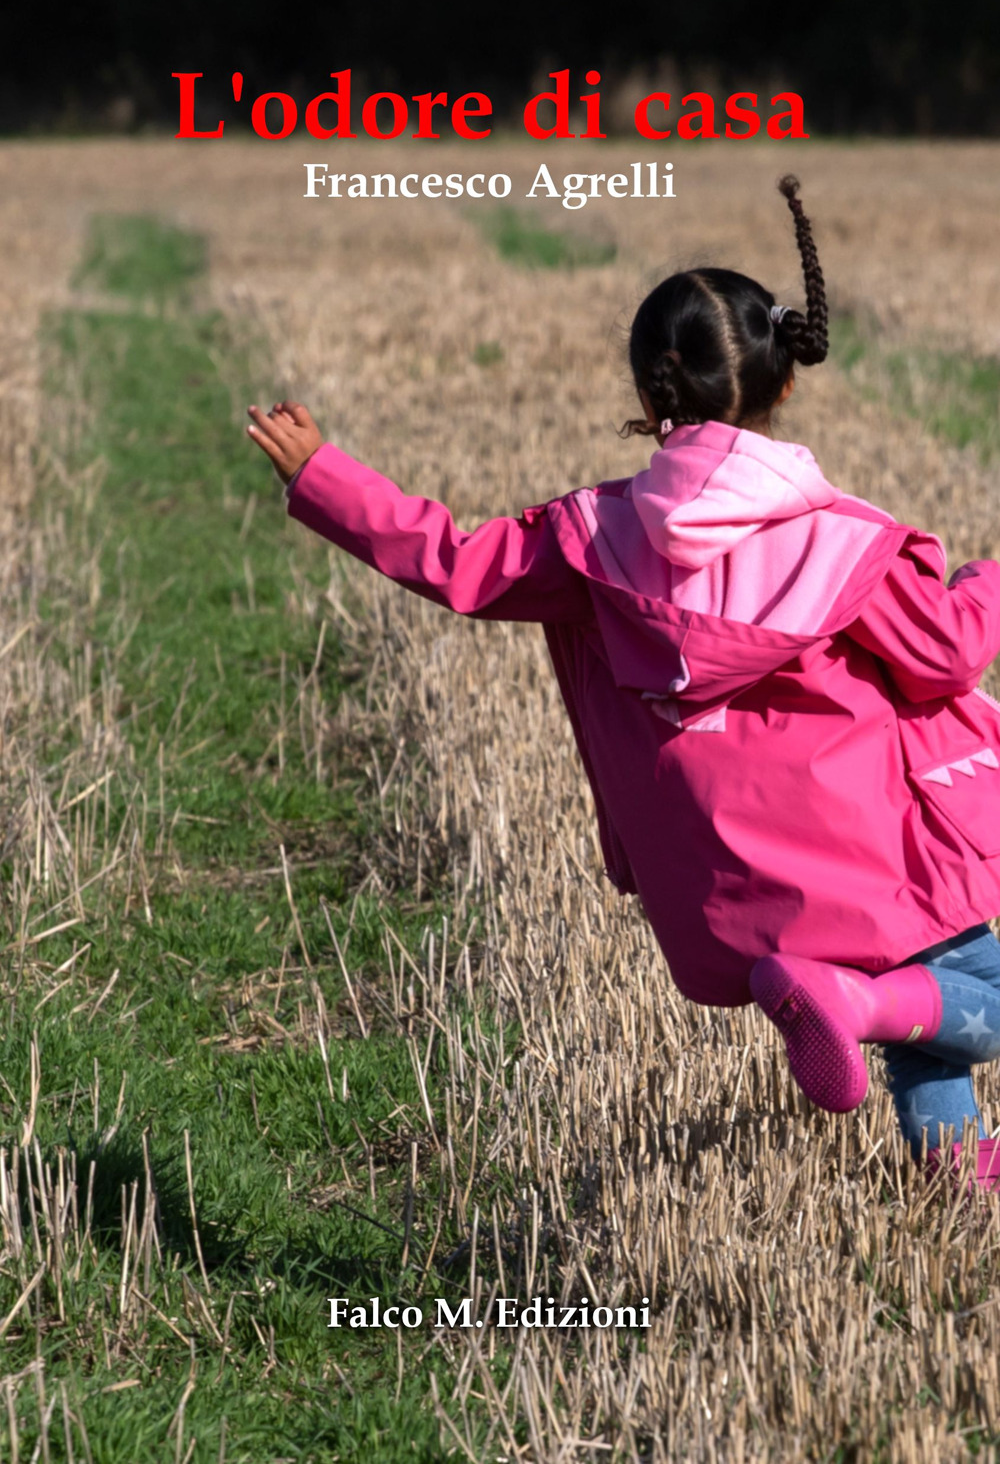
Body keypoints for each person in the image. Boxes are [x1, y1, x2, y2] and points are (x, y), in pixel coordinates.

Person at [245, 176, 1000, 1187]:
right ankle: (858, 1009)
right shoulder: (850, 547)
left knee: (930, 991)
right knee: (966, 979)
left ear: (651, 397)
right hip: (873, 843)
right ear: (784, 381)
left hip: (735, 867)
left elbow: (458, 565)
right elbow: (946, 652)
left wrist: (326, 476)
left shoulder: (587, 538)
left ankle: (960, 1176)